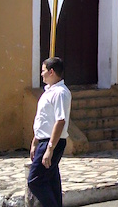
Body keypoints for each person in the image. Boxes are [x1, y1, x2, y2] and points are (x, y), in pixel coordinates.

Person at [28, 57, 72, 207]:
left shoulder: (60, 93)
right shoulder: (49, 92)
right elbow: (44, 120)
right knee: (51, 180)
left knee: (35, 181)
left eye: (43, 71)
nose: (42, 74)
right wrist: (35, 141)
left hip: (52, 142)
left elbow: (60, 121)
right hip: (43, 140)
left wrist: (50, 148)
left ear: (51, 72)